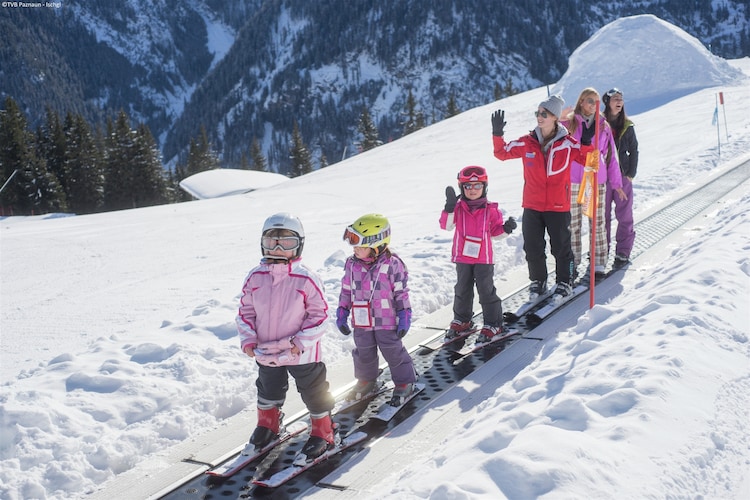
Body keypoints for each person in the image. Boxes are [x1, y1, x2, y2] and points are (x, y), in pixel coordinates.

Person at [236, 212, 337, 460]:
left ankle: (324, 430)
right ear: (263, 243)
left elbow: (320, 316)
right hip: (266, 351)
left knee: (313, 391)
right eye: (272, 242)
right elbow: (245, 311)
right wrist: (248, 339)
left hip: (300, 353)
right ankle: (268, 425)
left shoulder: (306, 278)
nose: (279, 248)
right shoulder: (255, 277)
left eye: (287, 242)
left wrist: (299, 342)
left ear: (299, 244)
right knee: (268, 389)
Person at [491, 95, 591, 301]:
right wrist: (497, 133)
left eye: (544, 113)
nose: (539, 116)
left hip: (557, 205)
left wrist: (588, 142)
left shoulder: (568, 144)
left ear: (555, 117)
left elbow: (590, 162)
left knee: (561, 247)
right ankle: (538, 281)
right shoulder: (527, 142)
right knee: (532, 247)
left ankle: (565, 280)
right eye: (537, 112)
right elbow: (501, 153)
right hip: (532, 204)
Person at [336, 214, 417, 406]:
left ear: (377, 244)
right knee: (363, 353)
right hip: (362, 321)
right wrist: (342, 311)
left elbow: (401, 293)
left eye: (360, 245)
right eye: (354, 245)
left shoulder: (393, 264)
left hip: (386, 320)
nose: (354, 248)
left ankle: (405, 381)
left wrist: (404, 315)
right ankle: (366, 381)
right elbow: (347, 289)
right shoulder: (351, 264)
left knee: (393, 351)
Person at [439, 165, 516, 343]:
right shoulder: (458, 209)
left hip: (483, 258)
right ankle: (462, 320)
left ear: (484, 187)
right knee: (462, 289)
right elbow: (447, 226)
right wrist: (449, 208)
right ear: (461, 188)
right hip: (463, 257)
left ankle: (493, 323)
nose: (472, 190)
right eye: (467, 186)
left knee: (486, 290)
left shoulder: (491, 210)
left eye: (477, 186)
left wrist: (506, 229)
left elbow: (496, 233)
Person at [562, 88, 626, 277]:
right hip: (573, 180)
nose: (593, 104)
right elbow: (550, 132)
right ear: (581, 101)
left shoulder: (603, 126)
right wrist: (560, 118)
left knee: (597, 222)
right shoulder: (569, 123)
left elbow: (611, 157)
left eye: (596, 101)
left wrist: (617, 183)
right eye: (589, 100)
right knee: (573, 224)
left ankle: (598, 262)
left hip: (595, 180)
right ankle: (572, 262)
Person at [603, 88, 638, 267]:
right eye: (615, 98)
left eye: (621, 99)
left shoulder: (627, 126)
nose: (619, 101)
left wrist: (630, 174)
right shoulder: (599, 124)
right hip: (603, 177)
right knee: (602, 216)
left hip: (622, 177)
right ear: (607, 102)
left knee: (624, 214)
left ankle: (623, 251)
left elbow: (634, 150)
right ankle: (602, 251)